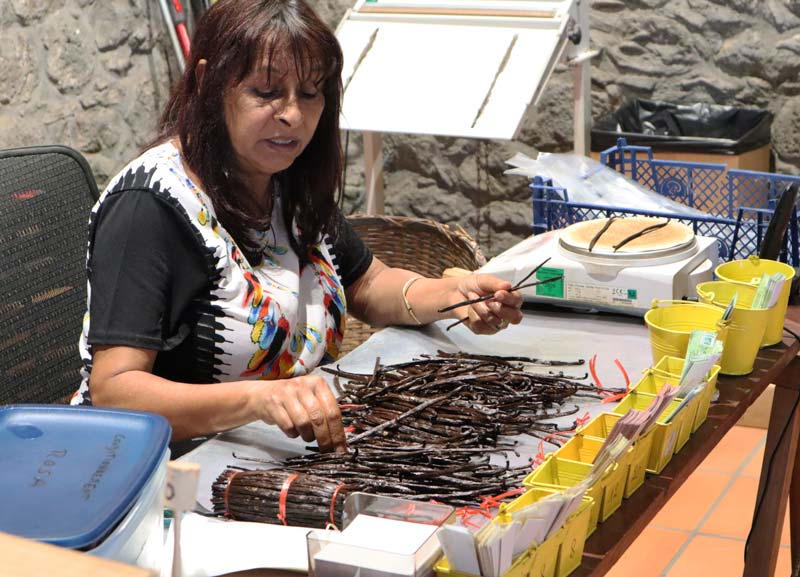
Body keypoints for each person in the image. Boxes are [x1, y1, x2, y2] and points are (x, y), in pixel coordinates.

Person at [71, 0, 523, 453]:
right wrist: (261, 398)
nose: (293, 115)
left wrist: (450, 297)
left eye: (309, 94)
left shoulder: (285, 179)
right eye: (266, 92)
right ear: (209, 84)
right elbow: (117, 392)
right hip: (168, 470)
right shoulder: (149, 206)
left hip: (270, 451)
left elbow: (369, 282)